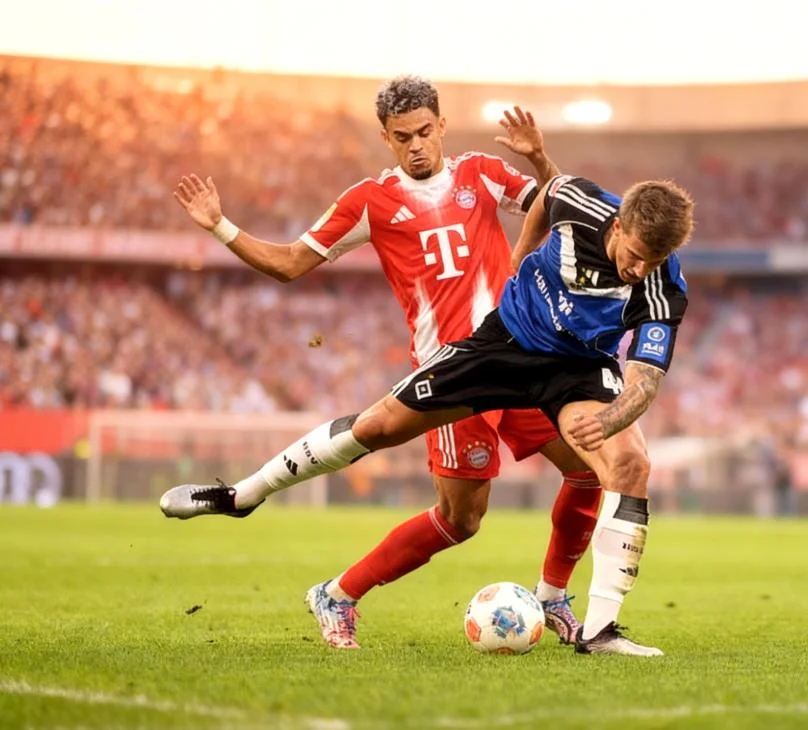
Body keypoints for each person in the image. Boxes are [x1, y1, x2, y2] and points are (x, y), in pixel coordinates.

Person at [162, 171, 695, 656]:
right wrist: (522, 254)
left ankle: (596, 628)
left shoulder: (663, 286)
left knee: (625, 465)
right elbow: (549, 194)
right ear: (619, 223)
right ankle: (243, 496)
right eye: (638, 252)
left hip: (576, 369)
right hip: (502, 343)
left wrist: (609, 420)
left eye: (657, 258)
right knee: (382, 432)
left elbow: (645, 380)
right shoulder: (579, 200)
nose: (641, 267)